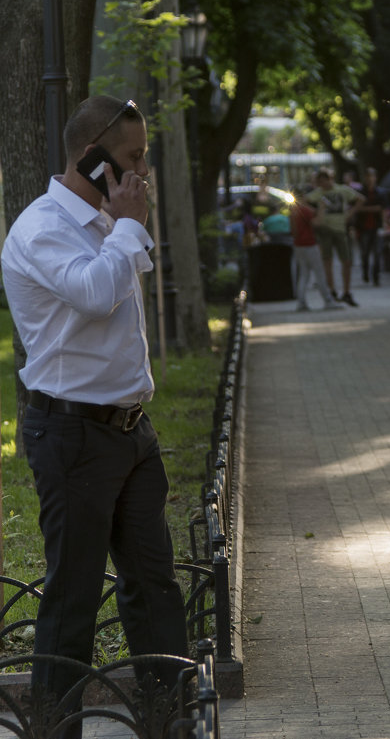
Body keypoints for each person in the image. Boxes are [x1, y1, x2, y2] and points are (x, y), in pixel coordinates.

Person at [0, 96, 189, 733]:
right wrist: (130, 225)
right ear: (93, 157)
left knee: (154, 586)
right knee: (73, 599)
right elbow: (95, 293)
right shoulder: (42, 228)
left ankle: (173, 719)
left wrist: (125, 223)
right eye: (133, 157)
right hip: (72, 432)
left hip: (130, 430)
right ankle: (56, 729)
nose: (143, 171)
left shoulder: (111, 219)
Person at [306, 169, 364, 305]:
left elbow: (360, 199)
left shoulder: (341, 190)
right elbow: (302, 201)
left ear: (328, 179)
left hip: (340, 229)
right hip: (325, 230)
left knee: (346, 261)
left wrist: (349, 214)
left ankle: (346, 291)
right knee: (328, 261)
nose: (320, 185)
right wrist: (314, 211)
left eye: (322, 182)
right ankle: (332, 290)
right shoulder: (318, 193)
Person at [290, 187, 341, 311]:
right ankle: (328, 301)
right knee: (320, 274)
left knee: (304, 274)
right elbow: (318, 222)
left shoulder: (293, 210)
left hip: (298, 245)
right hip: (309, 244)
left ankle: (301, 302)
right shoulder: (305, 210)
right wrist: (322, 208)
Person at [351, 167, 385, 286]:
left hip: (376, 226)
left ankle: (376, 277)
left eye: (372, 176)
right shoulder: (359, 193)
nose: (370, 179)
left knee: (377, 253)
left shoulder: (380, 192)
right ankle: (365, 273)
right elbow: (355, 209)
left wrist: (364, 209)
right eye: (368, 176)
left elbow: (382, 209)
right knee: (364, 253)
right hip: (363, 227)